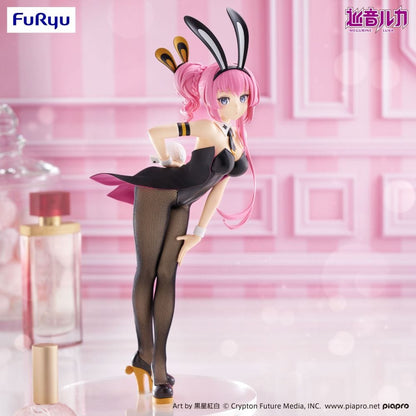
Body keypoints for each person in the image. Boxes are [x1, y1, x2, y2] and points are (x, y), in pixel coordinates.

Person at [91, 8, 259, 404]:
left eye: (242, 97)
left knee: (168, 275)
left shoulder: (234, 139)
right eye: (225, 98)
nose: (235, 105)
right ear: (210, 98)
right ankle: (148, 359)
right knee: (147, 271)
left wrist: (199, 232)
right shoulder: (206, 128)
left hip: (182, 203)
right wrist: (167, 158)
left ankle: (153, 362)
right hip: (157, 191)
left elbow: (218, 186)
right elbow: (155, 132)